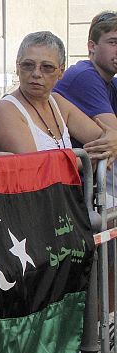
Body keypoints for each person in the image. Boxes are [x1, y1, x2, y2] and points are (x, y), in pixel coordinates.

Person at [0, 31, 116, 162]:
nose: (36, 73)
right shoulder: (4, 110)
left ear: (61, 71)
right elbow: (36, 166)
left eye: (47, 67)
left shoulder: (58, 103)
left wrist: (112, 141)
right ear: (17, 67)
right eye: (28, 65)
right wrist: (87, 161)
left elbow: (104, 141)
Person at [54, 11, 117, 207]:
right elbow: (110, 134)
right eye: (113, 42)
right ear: (92, 46)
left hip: (86, 187)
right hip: (69, 191)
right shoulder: (84, 76)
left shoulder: (111, 83)